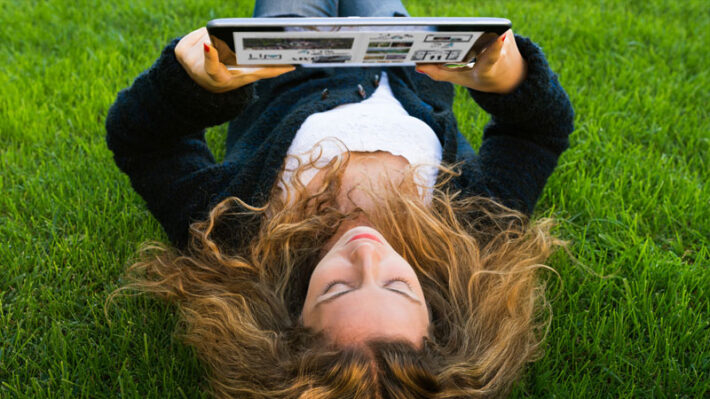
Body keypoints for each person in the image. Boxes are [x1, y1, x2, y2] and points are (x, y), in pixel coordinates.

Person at [106, 0, 574, 397]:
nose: (366, 253)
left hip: (291, 58)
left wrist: (192, 86)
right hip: (403, 55)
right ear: (438, 317)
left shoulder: (236, 231)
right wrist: (511, 79)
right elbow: (537, 134)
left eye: (337, 288)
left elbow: (145, 143)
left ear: (290, 322)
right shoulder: (473, 231)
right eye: (397, 286)